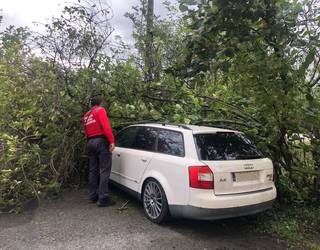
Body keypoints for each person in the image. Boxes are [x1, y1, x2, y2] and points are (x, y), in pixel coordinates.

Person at [83, 95, 116, 207]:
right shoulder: (100, 110)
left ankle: (92, 196)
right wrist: (111, 141)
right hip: (101, 142)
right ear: (99, 103)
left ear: (91, 104)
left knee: (93, 171)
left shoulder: (86, 115)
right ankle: (103, 198)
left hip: (90, 142)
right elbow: (106, 127)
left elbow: (86, 132)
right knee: (104, 170)